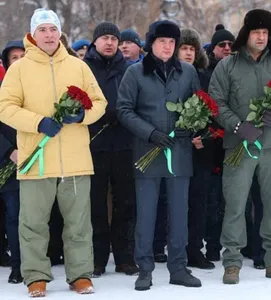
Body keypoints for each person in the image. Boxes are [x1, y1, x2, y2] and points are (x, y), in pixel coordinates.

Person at [0, 8, 107, 296]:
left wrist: (81, 116)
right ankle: (35, 276)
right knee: (33, 223)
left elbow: (100, 102)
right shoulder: (19, 68)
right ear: (32, 35)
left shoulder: (77, 66)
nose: (48, 35)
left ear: (60, 33)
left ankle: (80, 275)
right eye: (42, 30)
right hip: (36, 159)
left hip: (75, 160)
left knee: (79, 223)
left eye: (52, 29)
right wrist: (38, 122)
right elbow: (5, 107)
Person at [209, 9, 271, 284]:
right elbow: (216, 102)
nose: (261, 37)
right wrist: (238, 127)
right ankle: (232, 263)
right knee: (235, 205)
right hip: (238, 146)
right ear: (246, 34)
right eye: (256, 32)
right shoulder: (227, 65)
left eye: (266, 33)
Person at [117, 20, 202, 291]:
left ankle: (178, 267)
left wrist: (193, 126)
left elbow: (197, 106)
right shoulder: (135, 73)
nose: (167, 46)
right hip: (147, 152)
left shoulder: (187, 72)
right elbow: (124, 109)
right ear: (151, 43)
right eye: (162, 41)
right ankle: (145, 269)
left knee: (179, 213)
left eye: (172, 42)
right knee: (147, 214)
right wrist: (150, 133)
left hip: (179, 153)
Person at [84, 21, 138, 277]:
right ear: (95, 41)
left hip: (125, 144)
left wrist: (125, 115)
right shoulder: (83, 69)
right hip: (93, 145)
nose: (109, 42)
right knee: (95, 205)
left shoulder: (129, 69)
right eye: (104, 38)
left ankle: (125, 257)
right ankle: (97, 258)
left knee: (126, 203)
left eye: (114, 39)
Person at [176, 28, 224, 270]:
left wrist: (203, 135)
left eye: (192, 49)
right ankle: (174, 248)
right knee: (176, 203)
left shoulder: (205, 76)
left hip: (202, 149)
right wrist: (185, 135)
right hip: (174, 147)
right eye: (183, 48)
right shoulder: (169, 77)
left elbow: (214, 110)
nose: (188, 53)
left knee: (199, 202)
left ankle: (195, 249)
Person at [0, 39, 25, 284]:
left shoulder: (35, 87)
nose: (19, 62)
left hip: (35, 156)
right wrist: (9, 151)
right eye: (13, 58)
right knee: (14, 215)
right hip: (8, 162)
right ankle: (17, 265)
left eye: (23, 56)